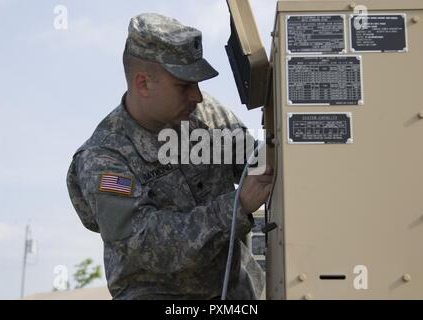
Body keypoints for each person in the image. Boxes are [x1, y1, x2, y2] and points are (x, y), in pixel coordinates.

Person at [66, 13, 273, 300]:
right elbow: (144, 244)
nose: (197, 96)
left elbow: (258, 165)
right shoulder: (104, 158)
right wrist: (237, 207)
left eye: (197, 84)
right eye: (184, 86)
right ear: (143, 84)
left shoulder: (205, 116)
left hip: (233, 289)